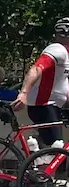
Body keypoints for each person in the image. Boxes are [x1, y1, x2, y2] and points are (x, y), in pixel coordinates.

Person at [13, 17, 69, 147]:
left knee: (53, 148)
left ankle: (36, 158)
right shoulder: (57, 49)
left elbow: (62, 83)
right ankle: (37, 162)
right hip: (44, 105)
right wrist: (24, 93)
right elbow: (36, 69)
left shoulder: (66, 54)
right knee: (57, 147)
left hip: (53, 106)